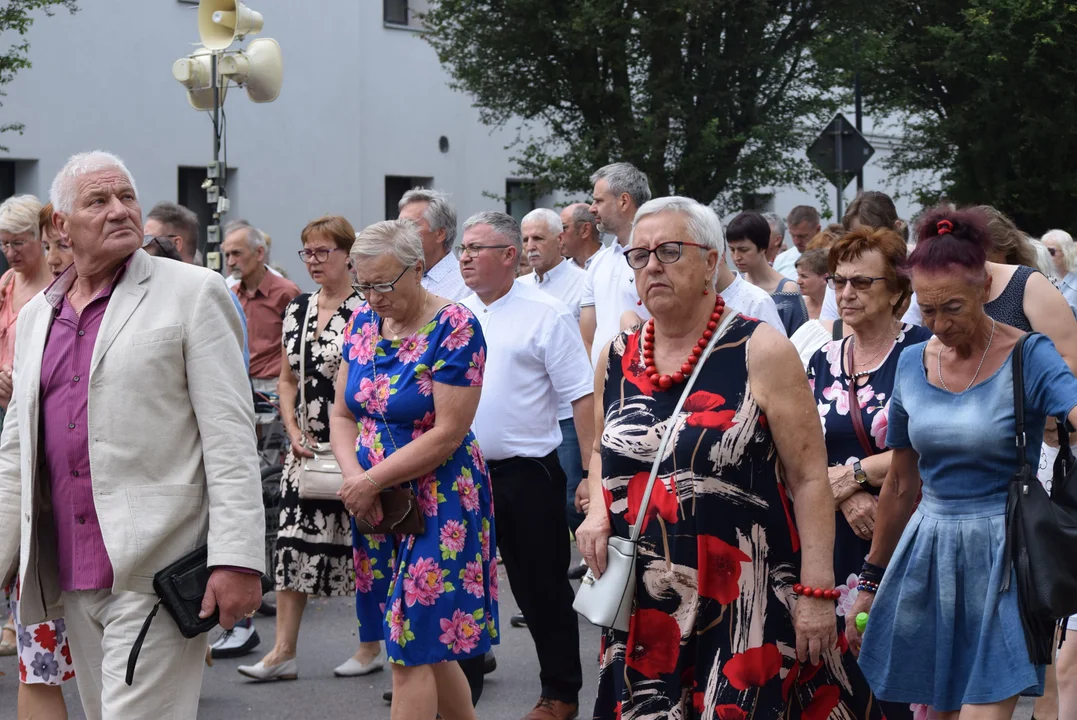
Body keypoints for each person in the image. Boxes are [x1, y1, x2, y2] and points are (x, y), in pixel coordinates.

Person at [575, 196, 882, 719]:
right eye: (639, 255)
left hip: (746, 595)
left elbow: (809, 478)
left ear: (711, 262)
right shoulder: (617, 354)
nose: (652, 265)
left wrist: (816, 590)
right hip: (647, 596)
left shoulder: (759, 349)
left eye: (670, 251)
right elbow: (605, 449)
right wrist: (599, 511)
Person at [0, 150, 264, 720]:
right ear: (60, 227)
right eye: (98, 201)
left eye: (126, 197)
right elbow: (17, 455)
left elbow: (230, 438)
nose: (120, 211)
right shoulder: (36, 319)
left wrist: (239, 558)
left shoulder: (193, 292)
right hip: (67, 571)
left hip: (158, 571)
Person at [847, 208, 1077, 718]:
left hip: (1006, 553)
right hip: (930, 554)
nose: (939, 325)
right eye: (926, 312)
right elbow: (903, 484)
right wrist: (869, 581)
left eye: (952, 307)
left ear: (983, 289)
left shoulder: (1029, 354)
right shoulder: (912, 362)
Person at [331, 219, 497, 720]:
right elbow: (342, 413)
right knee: (422, 641)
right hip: (376, 500)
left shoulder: (456, 326)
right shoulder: (361, 321)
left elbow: (447, 432)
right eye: (363, 284)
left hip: (439, 497)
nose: (373, 296)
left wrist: (371, 480)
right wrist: (354, 479)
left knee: (407, 643)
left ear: (419, 269)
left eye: (384, 283)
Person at [458, 211, 593, 720]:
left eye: (476, 248)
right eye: (462, 249)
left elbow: (580, 396)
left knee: (540, 590)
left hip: (527, 474)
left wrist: (587, 477)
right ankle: (459, 696)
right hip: (464, 476)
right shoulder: (457, 313)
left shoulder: (547, 312)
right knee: (462, 585)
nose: (465, 258)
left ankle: (559, 694)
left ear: (510, 255)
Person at [804, 226, 931, 720]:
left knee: (900, 675)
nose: (846, 293)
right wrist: (844, 494)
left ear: (899, 291)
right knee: (838, 679)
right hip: (837, 538)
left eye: (862, 282)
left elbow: (925, 442)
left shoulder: (924, 352)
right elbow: (799, 445)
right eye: (839, 281)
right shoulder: (823, 357)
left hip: (906, 531)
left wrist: (851, 475)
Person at [236, 216, 369, 681]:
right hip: (306, 450)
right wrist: (290, 427)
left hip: (355, 449)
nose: (313, 260)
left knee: (364, 549)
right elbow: (287, 378)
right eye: (307, 252)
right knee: (291, 548)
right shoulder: (299, 308)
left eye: (322, 251)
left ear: (348, 255)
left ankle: (371, 647)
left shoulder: (367, 310)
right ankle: (282, 653)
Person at [1, 200, 77, 720]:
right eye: (49, 246)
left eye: (61, 246)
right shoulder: (34, 313)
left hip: (112, 540)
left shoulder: (124, 310)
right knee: (40, 660)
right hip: (41, 521)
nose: (53, 258)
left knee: (119, 677)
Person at [518, 208, 590, 533]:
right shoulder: (517, 287)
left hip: (567, 410)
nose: (530, 246)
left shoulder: (584, 284)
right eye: (525, 239)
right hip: (529, 412)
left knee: (574, 497)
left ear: (560, 239)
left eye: (538, 238)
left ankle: (592, 567)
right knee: (537, 500)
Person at [581, 162, 651, 363]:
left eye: (598, 201)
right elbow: (587, 337)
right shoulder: (598, 262)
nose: (592, 209)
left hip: (650, 385)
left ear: (623, 201)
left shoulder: (659, 259)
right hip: (605, 389)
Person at [225, 220, 301, 394]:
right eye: (227, 255)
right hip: (241, 384)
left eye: (236, 254)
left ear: (259, 253)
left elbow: (299, 346)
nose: (230, 262)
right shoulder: (230, 294)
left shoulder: (286, 292)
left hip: (276, 385)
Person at [0, 195, 55, 413]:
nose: (11, 252)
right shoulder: (6, 281)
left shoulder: (56, 288)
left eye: (18, 243)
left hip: (32, 408)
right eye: (4, 244)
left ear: (40, 237)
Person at [727, 210, 808, 335]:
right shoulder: (735, 284)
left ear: (762, 247)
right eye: (732, 250)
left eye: (743, 250)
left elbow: (801, 341)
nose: (736, 257)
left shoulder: (787, 292)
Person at [398, 187, 469, 302]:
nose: (400, 232)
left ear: (440, 234)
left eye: (411, 225)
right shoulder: (397, 277)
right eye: (399, 225)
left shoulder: (467, 284)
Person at [774, 205, 821, 279]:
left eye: (802, 236)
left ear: (818, 230)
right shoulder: (781, 260)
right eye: (792, 235)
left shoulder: (832, 259)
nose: (796, 242)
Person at [1041, 229, 1077, 314]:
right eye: (1043, 251)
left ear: (1066, 252)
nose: (1046, 255)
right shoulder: (1039, 278)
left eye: (1050, 251)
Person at [559, 203, 603, 270]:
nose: (558, 235)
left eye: (563, 228)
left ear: (585, 230)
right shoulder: (561, 270)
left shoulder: (615, 264)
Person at [795, 248, 828, 320]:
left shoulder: (837, 307)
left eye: (804, 276)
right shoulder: (798, 305)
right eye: (798, 275)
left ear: (825, 278)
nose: (798, 281)